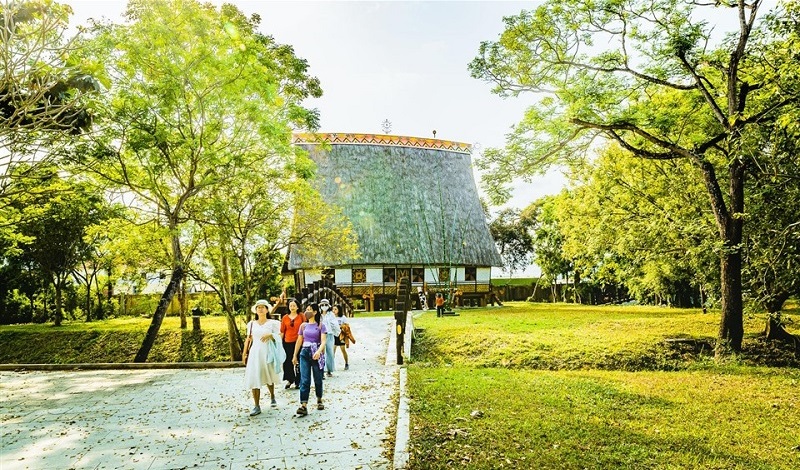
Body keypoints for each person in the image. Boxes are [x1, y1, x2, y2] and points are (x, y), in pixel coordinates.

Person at [243, 299, 283, 416]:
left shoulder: (273, 323)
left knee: (269, 374)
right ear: (256, 310)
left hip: (267, 351)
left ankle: (272, 395)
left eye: (262, 307)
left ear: (267, 309)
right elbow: (248, 339)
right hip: (255, 352)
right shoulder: (251, 324)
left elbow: (280, 335)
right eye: (258, 307)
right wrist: (245, 352)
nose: (260, 309)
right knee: (254, 376)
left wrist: (271, 335)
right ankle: (256, 405)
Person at [292, 302, 327, 416]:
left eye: (310, 309)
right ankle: (303, 404)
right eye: (306, 309)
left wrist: (318, 351)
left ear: (315, 312)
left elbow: (323, 341)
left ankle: (319, 398)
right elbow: (299, 340)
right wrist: (295, 355)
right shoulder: (303, 326)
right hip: (304, 352)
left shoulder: (321, 325)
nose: (307, 312)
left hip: (315, 351)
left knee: (317, 378)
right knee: (305, 379)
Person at [280, 298, 305, 389]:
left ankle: (299, 381)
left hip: (299, 341)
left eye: (294, 305)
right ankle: (290, 379)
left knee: (299, 361)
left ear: (298, 307)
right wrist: (279, 343)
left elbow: (305, 327)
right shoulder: (285, 317)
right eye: (291, 306)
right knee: (287, 362)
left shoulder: (301, 316)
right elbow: (282, 331)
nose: (292, 307)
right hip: (287, 342)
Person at [319, 298, 340, 377]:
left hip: (329, 334)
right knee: (321, 352)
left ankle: (329, 369)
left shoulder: (331, 314)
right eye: (322, 305)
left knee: (330, 352)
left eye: (325, 305)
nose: (324, 306)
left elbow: (335, 324)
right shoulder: (318, 314)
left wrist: (336, 332)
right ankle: (321, 370)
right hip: (320, 335)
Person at [333, 303, 351, 370]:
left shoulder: (343, 317)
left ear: (339, 310)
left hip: (341, 335)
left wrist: (342, 326)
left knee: (343, 349)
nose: (334, 311)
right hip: (334, 335)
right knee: (333, 351)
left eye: (335, 309)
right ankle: (331, 365)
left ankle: (346, 363)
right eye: (333, 309)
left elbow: (347, 326)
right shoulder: (332, 317)